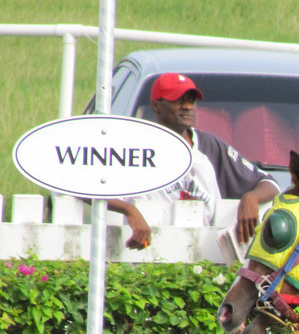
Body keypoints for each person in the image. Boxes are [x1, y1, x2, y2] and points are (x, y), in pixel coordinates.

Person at [108, 73, 280, 250]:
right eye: (178, 100)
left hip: (203, 259)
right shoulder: (135, 147)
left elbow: (268, 183)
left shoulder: (210, 147)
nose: (187, 107)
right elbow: (88, 186)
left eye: (191, 100)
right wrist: (130, 211)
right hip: (142, 258)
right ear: (156, 105)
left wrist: (251, 198)